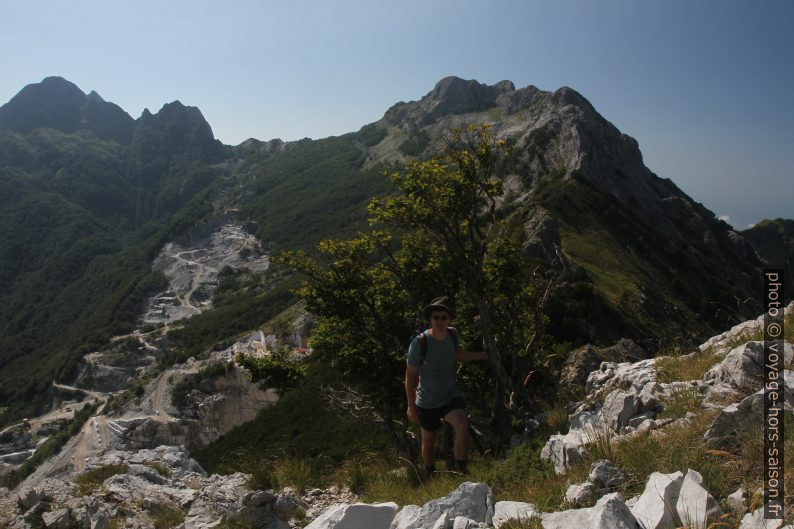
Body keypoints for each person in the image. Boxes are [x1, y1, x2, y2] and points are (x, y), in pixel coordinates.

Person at [405, 296, 487, 477]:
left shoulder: (452, 334)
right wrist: (411, 406)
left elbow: (457, 355)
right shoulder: (419, 343)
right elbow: (410, 375)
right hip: (427, 401)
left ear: (449, 319)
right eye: (436, 317)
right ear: (430, 319)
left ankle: (462, 472)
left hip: (450, 395)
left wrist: (483, 355)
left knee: (462, 424)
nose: (440, 321)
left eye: (444, 317)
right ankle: (430, 473)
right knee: (428, 440)